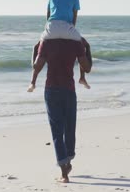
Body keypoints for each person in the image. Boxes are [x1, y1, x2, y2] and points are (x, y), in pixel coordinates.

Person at [32, 38, 92, 183]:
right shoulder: (75, 42)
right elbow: (87, 67)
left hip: (52, 90)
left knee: (57, 130)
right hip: (68, 90)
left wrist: (35, 49)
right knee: (70, 127)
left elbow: (35, 66)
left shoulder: (47, 41)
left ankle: (64, 173)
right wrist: (88, 48)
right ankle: (68, 161)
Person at [27, 0, 92, 93]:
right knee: (82, 46)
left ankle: (32, 82)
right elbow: (74, 17)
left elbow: (48, 15)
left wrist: (47, 32)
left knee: (38, 49)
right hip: (67, 27)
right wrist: (71, 33)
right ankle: (82, 78)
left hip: (52, 26)